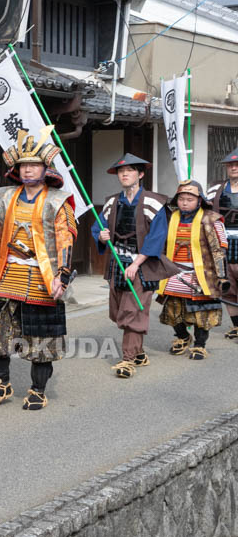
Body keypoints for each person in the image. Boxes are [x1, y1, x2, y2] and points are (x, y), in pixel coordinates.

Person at [0, 127, 76, 411]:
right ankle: (1, 384)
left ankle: (38, 389)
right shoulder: (4, 197)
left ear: (45, 168)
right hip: (7, 271)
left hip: (43, 275)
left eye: (34, 165)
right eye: (24, 165)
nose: (28, 170)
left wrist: (62, 277)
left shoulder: (57, 201)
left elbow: (65, 239)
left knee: (41, 337)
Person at [128, 180, 229, 361]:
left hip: (202, 274)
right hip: (174, 272)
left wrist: (221, 276)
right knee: (173, 310)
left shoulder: (211, 219)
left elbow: (218, 250)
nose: (184, 202)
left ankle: (200, 345)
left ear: (199, 200)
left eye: (189, 199)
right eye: (181, 198)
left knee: (201, 312)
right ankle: (183, 337)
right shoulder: (170, 217)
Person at [90, 154, 169, 378]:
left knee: (132, 310)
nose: (124, 174)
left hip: (142, 264)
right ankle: (139, 352)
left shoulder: (154, 202)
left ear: (140, 174)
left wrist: (137, 263)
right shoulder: (112, 202)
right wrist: (102, 236)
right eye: (121, 171)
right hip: (117, 263)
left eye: (130, 170)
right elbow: (98, 227)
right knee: (118, 312)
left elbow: (157, 236)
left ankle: (127, 360)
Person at [207, 146, 238, 340]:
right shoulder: (215, 189)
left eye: (237, 165)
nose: (234, 168)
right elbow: (205, 212)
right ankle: (236, 326)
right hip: (222, 244)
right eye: (230, 165)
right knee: (228, 288)